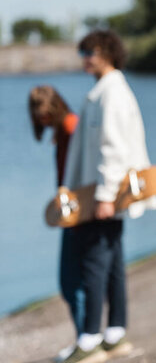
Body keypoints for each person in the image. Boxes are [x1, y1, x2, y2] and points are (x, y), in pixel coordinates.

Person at [60, 29, 156, 363]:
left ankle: (89, 341)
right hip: (108, 194)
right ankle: (114, 334)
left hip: (105, 196)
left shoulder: (111, 94)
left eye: (90, 51)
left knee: (94, 264)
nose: (85, 58)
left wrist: (103, 196)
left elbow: (113, 150)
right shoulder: (107, 90)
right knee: (113, 262)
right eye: (82, 52)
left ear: (107, 52)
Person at [29, 86, 85, 359]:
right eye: (38, 117)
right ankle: (84, 337)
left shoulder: (71, 126)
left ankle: (86, 339)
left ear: (55, 107)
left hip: (78, 215)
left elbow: (83, 170)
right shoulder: (62, 129)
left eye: (45, 115)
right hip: (71, 214)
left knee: (72, 281)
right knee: (72, 282)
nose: (42, 121)